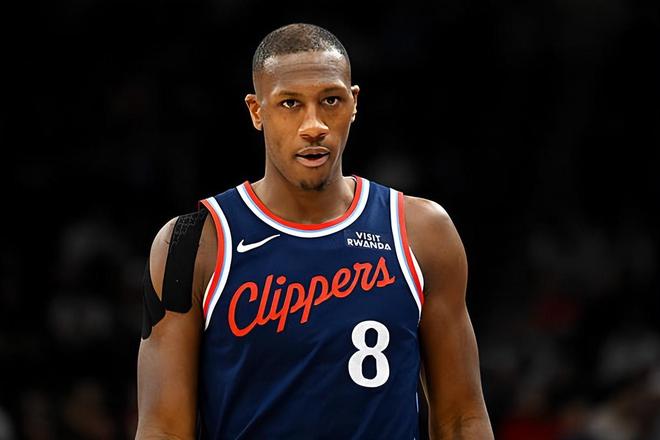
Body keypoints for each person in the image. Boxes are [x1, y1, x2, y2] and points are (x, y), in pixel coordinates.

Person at [136, 23, 493, 439]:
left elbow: (461, 418)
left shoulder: (422, 232)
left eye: (330, 101)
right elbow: (163, 428)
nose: (314, 125)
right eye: (290, 103)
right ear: (256, 111)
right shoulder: (193, 244)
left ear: (354, 103)